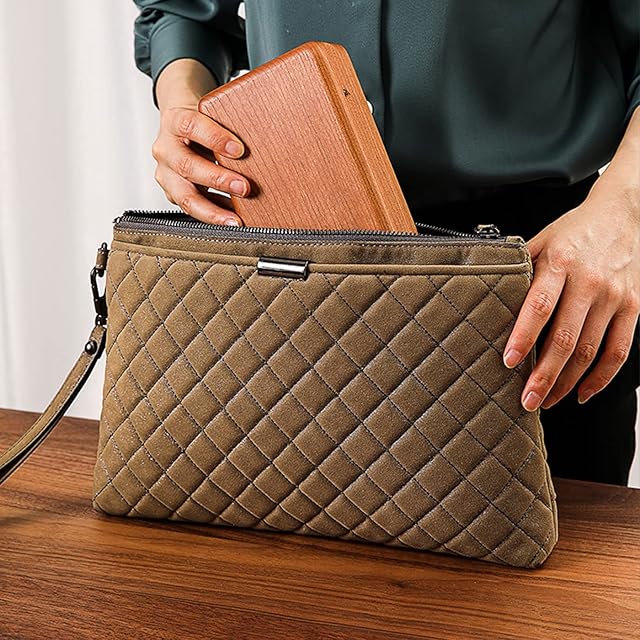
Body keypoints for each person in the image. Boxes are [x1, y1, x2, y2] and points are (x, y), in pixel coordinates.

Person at [131, 1, 640, 486]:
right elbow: (183, 10)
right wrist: (183, 106)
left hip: (540, 263)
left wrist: (624, 212)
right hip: (292, 236)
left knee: (555, 539)